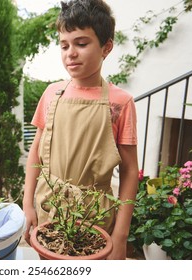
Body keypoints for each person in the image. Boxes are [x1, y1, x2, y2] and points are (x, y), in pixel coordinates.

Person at [23, 0, 139, 260]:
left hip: (94, 214)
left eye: (81, 43)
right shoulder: (52, 93)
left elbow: (130, 172)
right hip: (48, 206)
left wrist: (120, 237)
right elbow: (35, 154)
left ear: (106, 47)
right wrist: (27, 202)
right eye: (64, 45)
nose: (70, 53)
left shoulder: (120, 103)